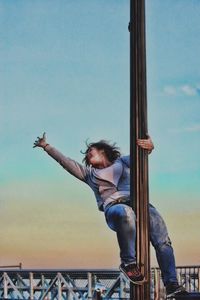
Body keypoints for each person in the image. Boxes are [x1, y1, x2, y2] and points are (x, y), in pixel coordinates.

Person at [33, 133, 187, 298]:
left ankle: (172, 285)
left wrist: (150, 147)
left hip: (140, 204)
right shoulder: (89, 175)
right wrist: (46, 146)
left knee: (162, 241)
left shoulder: (122, 162)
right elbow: (66, 162)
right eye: (86, 155)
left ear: (103, 150)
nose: (87, 154)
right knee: (125, 213)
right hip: (115, 207)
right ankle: (128, 263)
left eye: (90, 150)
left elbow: (141, 155)